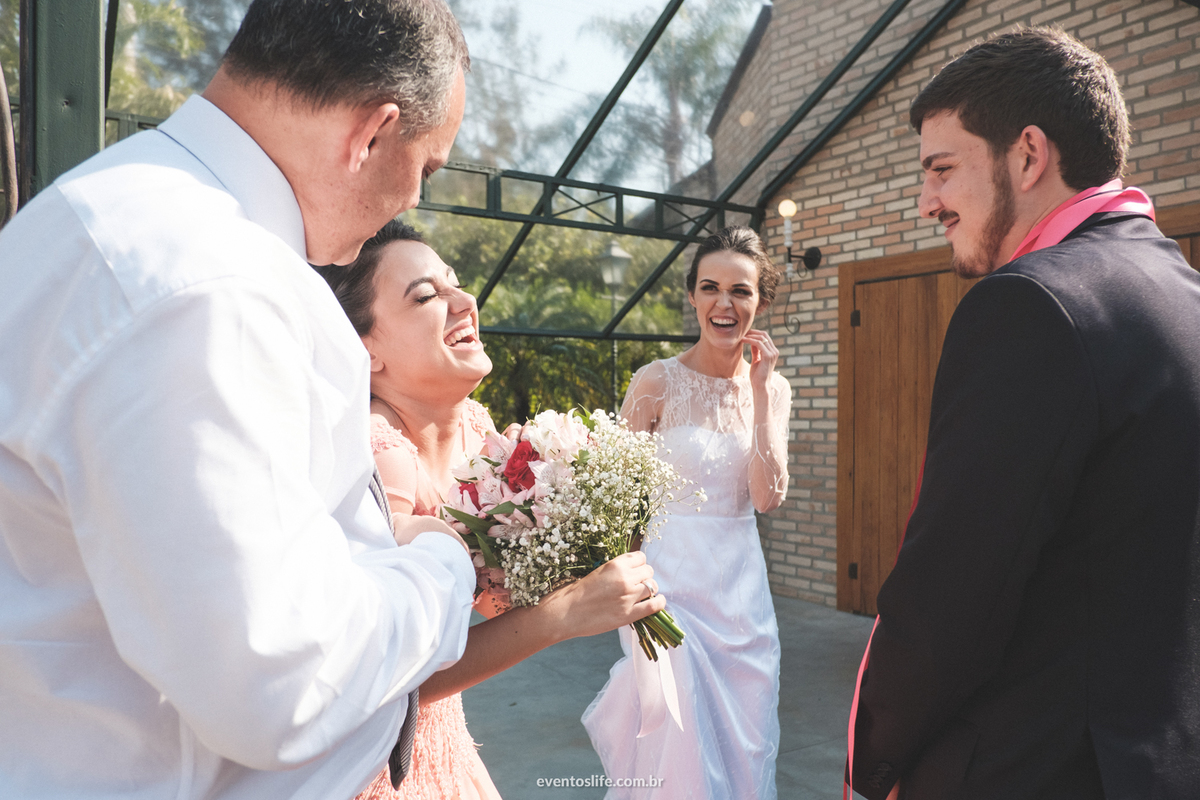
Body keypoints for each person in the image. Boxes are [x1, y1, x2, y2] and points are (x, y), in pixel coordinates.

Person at [0, 2, 482, 799]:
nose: (411, 204)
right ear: (372, 133)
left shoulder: (125, 216)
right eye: (425, 170)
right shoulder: (207, 284)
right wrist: (441, 568)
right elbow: (280, 680)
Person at [846, 28, 1200, 800]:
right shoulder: (1182, 292)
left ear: (1029, 154)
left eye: (942, 169)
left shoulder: (1030, 304)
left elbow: (949, 601)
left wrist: (874, 763)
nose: (926, 201)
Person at [314, 220, 668, 800]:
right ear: (365, 350)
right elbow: (387, 683)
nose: (464, 302)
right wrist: (564, 612)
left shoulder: (478, 431)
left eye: (455, 282)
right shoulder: (377, 462)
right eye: (426, 296)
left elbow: (489, 602)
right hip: (383, 765)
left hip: (449, 741)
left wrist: (574, 536)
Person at [583, 225, 792, 799]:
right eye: (710, 288)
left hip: (742, 602)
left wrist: (760, 392)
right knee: (677, 746)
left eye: (741, 291)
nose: (725, 303)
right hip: (668, 590)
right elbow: (619, 501)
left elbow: (767, 498)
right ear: (693, 298)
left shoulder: (774, 390)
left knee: (746, 745)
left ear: (760, 304)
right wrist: (627, 590)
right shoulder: (656, 381)